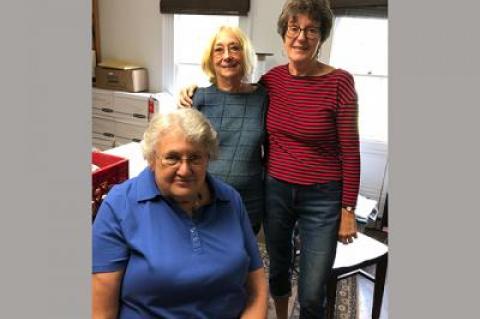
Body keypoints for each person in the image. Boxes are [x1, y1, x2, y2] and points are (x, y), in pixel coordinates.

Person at [179, 1, 360, 318]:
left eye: (311, 29)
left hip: (322, 196)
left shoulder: (339, 83)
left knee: (313, 288)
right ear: (284, 34)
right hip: (276, 190)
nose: (301, 37)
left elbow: (350, 149)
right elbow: (232, 94)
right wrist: (193, 89)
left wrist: (348, 208)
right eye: (294, 28)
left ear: (321, 37)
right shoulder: (272, 81)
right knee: (277, 268)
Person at [92, 108, 268, 319]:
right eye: (172, 158)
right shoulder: (120, 205)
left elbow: (257, 287)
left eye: (195, 158)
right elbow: (101, 311)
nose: (184, 170)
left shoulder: (229, 199)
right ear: (152, 159)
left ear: (208, 158)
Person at [185, 26, 268, 235]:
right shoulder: (198, 98)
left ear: (245, 55)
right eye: (219, 50)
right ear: (211, 59)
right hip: (204, 198)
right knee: (205, 261)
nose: (227, 56)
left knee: (243, 260)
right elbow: (186, 152)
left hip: (249, 201)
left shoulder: (263, 98)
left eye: (234, 48)